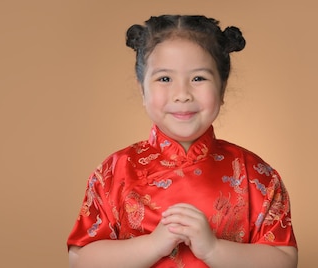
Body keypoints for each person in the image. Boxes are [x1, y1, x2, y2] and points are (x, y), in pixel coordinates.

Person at [67, 14, 298, 267]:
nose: (182, 94)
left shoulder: (256, 174)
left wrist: (213, 248)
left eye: (198, 78)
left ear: (222, 89)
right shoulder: (114, 172)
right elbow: (81, 259)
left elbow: (284, 260)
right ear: (142, 89)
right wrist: (153, 245)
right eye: (165, 79)